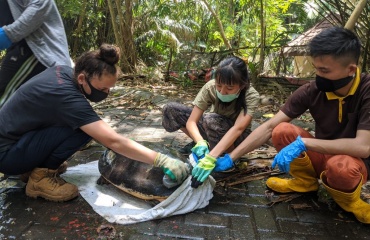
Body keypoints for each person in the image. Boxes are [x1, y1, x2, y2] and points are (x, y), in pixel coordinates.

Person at [193, 27, 370, 223]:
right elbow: (269, 127)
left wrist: (305, 143)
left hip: (356, 163)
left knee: (340, 166)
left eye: (324, 70)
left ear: (350, 70)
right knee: (282, 131)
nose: (316, 75)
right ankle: (305, 182)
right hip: (324, 156)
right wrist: (230, 157)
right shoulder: (312, 90)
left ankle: (350, 201)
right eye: (315, 68)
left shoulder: (367, 91)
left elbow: (362, 147)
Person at [0, 44, 190, 202]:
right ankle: (39, 179)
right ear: (82, 78)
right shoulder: (67, 97)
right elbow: (113, 141)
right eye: (102, 88)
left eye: (109, 89)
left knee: (81, 124)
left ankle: (32, 167)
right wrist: (161, 159)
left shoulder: (64, 72)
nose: (106, 94)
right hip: (7, 155)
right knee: (85, 131)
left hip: (15, 140)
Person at [162, 56, 260, 187]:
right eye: (219, 85)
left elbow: (238, 128)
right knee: (170, 109)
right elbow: (192, 121)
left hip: (237, 138)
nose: (222, 91)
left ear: (242, 85)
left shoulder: (251, 95)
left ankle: (225, 157)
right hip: (212, 127)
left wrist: (212, 157)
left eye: (229, 88)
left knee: (211, 120)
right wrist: (200, 142)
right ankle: (205, 147)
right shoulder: (210, 87)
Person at [0, 0, 71, 108]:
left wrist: (7, 34)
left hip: (38, 53)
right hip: (20, 51)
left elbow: (41, 5)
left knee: (3, 102)